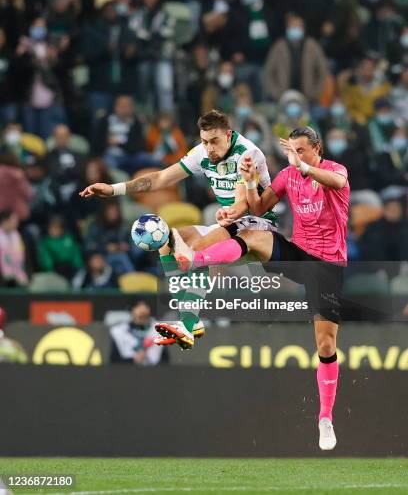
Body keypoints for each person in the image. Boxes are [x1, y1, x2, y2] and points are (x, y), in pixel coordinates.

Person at [169, 126, 350, 451]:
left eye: (301, 150)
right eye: (290, 151)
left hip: (327, 266)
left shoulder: (334, 170)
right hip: (299, 255)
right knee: (255, 234)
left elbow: (337, 183)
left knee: (325, 344)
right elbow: (257, 208)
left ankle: (325, 418)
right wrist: (250, 181)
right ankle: (196, 259)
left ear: (316, 148)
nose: (294, 156)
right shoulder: (287, 176)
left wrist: (304, 166)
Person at [80, 109, 279, 341]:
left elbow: (243, 202)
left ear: (228, 135)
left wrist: (229, 212)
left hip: (258, 226)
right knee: (168, 238)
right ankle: (190, 318)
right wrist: (114, 189)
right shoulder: (202, 153)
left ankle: (186, 324)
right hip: (229, 224)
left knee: (198, 249)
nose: (210, 148)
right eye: (205, 142)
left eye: (215, 141)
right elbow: (161, 178)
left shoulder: (247, 154)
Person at [110, 300, 164, 364]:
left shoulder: (158, 332)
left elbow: (166, 362)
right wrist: (132, 360)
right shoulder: (119, 332)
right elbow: (113, 362)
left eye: (145, 308)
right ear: (131, 311)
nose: (142, 311)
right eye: (138, 308)